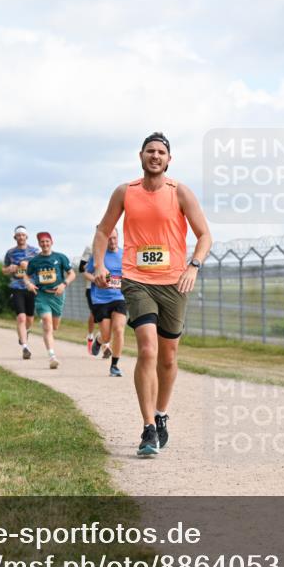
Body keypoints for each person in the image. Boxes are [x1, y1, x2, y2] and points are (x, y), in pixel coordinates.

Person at [93, 131, 212, 457]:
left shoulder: (180, 193)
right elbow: (103, 230)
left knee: (168, 356)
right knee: (147, 349)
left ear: (168, 159)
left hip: (174, 282)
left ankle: (160, 414)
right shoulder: (125, 192)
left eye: (161, 152)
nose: (155, 156)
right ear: (141, 156)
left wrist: (193, 267)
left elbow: (205, 235)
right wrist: (100, 263)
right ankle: (147, 428)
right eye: (150, 151)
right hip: (136, 279)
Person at [24, 231, 75, 369]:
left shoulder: (60, 257)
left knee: (54, 327)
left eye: (47, 241)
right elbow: (26, 276)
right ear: (39, 244)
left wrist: (64, 284)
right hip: (42, 295)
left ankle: (45, 324)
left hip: (57, 295)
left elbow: (72, 273)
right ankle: (52, 356)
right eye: (42, 242)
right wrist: (29, 284)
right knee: (48, 324)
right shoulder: (34, 261)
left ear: (51, 242)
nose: (45, 244)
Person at [85, 227, 127, 377]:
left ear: (118, 238)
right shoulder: (99, 256)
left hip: (120, 297)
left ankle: (114, 365)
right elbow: (86, 273)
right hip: (101, 299)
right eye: (109, 239)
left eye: (115, 238)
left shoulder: (125, 254)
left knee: (119, 329)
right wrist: (96, 279)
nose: (112, 241)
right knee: (107, 337)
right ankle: (98, 340)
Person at [2, 226, 40, 359]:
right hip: (16, 287)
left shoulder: (35, 251)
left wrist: (27, 266)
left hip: (31, 287)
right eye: (18, 235)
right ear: (15, 238)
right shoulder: (10, 253)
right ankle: (25, 347)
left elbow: (40, 267)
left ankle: (26, 331)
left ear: (26, 237)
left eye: (23, 235)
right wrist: (10, 269)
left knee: (29, 318)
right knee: (21, 317)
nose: (21, 237)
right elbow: (4, 270)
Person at [78, 238, 98, 354]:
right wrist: (94, 264)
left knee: (107, 315)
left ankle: (105, 343)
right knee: (95, 313)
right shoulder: (90, 248)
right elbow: (81, 268)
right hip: (92, 287)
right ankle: (90, 336)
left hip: (107, 287)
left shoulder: (112, 248)